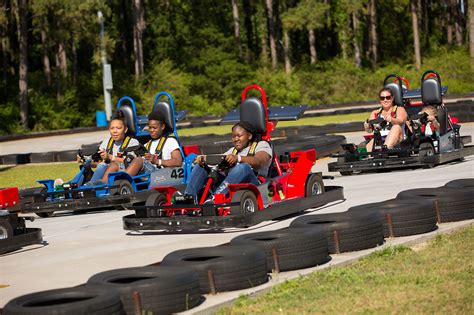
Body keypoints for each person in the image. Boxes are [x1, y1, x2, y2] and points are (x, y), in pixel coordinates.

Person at [182, 121, 273, 203]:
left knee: (243, 167)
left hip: (256, 185)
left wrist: (238, 158)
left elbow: (259, 161)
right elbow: (219, 159)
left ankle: (214, 199)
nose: (235, 139)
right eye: (233, 136)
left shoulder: (262, 145)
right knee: (202, 167)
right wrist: (203, 159)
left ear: (249, 136)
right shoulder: (233, 150)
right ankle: (189, 197)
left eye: (239, 136)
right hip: (232, 186)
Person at [90, 110, 141, 184]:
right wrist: (88, 163)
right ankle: (74, 186)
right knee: (89, 168)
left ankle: (94, 186)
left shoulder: (133, 142)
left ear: (125, 129)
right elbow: (98, 164)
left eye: (118, 128)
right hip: (105, 171)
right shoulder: (106, 142)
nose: (115, 131)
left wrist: (110, 157)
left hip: (123, 172)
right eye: (112, 128)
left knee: (105, 166)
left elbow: (131, 162)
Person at [364, 87, 408, 152]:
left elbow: (401, 120)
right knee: (368, 146)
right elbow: (369, 130)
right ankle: (369, 156)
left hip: (398, 140)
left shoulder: (399, 109)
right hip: (380, 139)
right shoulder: (375, 113)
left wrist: (392, 120)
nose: (385, 100)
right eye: (382, 98)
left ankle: (385, 150)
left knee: (396, 127)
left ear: (392, 98)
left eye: (388, 97)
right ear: (380, 100)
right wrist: (367, 126)